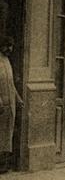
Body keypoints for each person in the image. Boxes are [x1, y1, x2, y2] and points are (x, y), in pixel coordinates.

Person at [0, 37, 21, 172]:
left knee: (7, 134)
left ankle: (3, 164)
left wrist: (18, 99)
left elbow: (10, 84)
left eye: (11, 46)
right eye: (7, 46)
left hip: (10, 104)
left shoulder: (7, 61)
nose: (10, 49)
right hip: (1, 104)